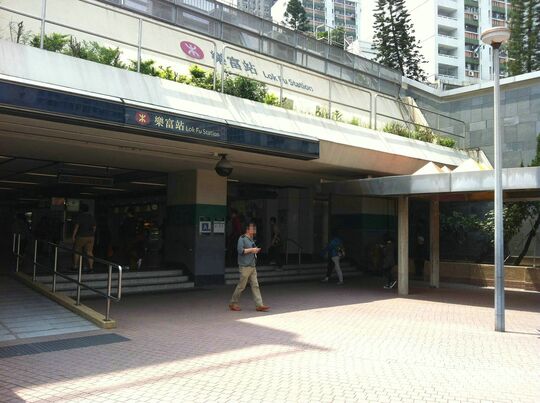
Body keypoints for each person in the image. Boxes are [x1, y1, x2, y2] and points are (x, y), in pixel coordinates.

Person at [229, 222, 270, 312]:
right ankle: (233, 303)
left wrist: (255, 250)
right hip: (245, 266)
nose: (254, 229)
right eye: (252, 228)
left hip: (252, 265)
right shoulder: (242, 238)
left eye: (255, 228)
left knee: (255, 285)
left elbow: (251, 251)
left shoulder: (251, 239)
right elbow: (240, 251)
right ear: (247, 229)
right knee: (241, 286)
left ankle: (259, 305)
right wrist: (252, 250)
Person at [72, 204, 96, 272]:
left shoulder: (80, 216)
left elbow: (76, 227)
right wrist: (92, 233)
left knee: (77, 251)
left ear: (81, 210)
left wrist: (73, 236)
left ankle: (75, 266)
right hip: (91, 237)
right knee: (89, 252)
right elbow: (94, 227)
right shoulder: (91, 216)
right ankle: (91, 267)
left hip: (81, 236)